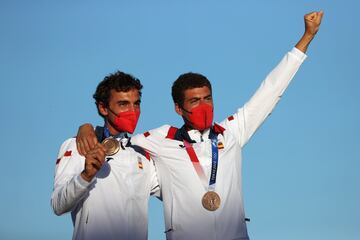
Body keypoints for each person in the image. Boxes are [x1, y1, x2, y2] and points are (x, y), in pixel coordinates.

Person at [77, 11, 323, 240]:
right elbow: (118, 142)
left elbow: (271, 91)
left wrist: (306, 37)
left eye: (207, 98)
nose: (203, 106)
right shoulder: (160, 138)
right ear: (178, 108)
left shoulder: (233, 131)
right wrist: (87, 127)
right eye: (195, 101)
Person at [51, 71, 159, 240]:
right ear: (103, 108)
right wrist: (85, 176)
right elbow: (58, 205)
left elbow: (178, 191)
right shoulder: (78, 145)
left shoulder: (144, 154)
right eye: (123, 104)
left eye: (136, 104)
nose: (132, 111)